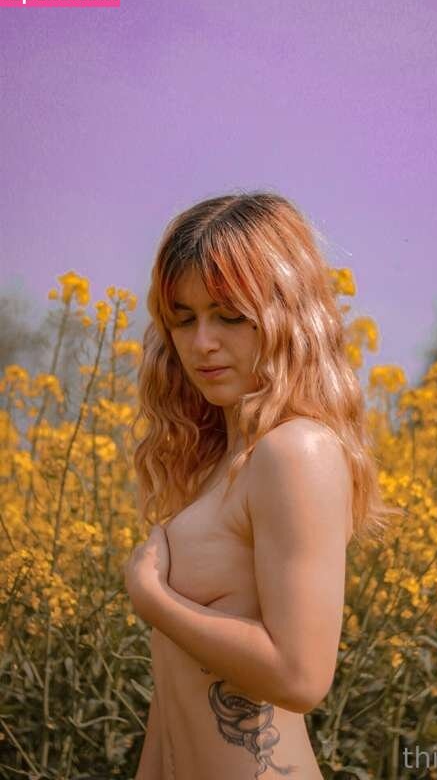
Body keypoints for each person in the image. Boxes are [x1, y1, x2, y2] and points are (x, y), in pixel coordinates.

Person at [124, 191, 399, 779]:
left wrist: (154, 601)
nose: (202, 343)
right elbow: (174, 696)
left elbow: (301, 677)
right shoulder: (218, 465)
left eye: (229, 315)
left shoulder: (294, 450)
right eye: (183, 318)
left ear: (286, 314)